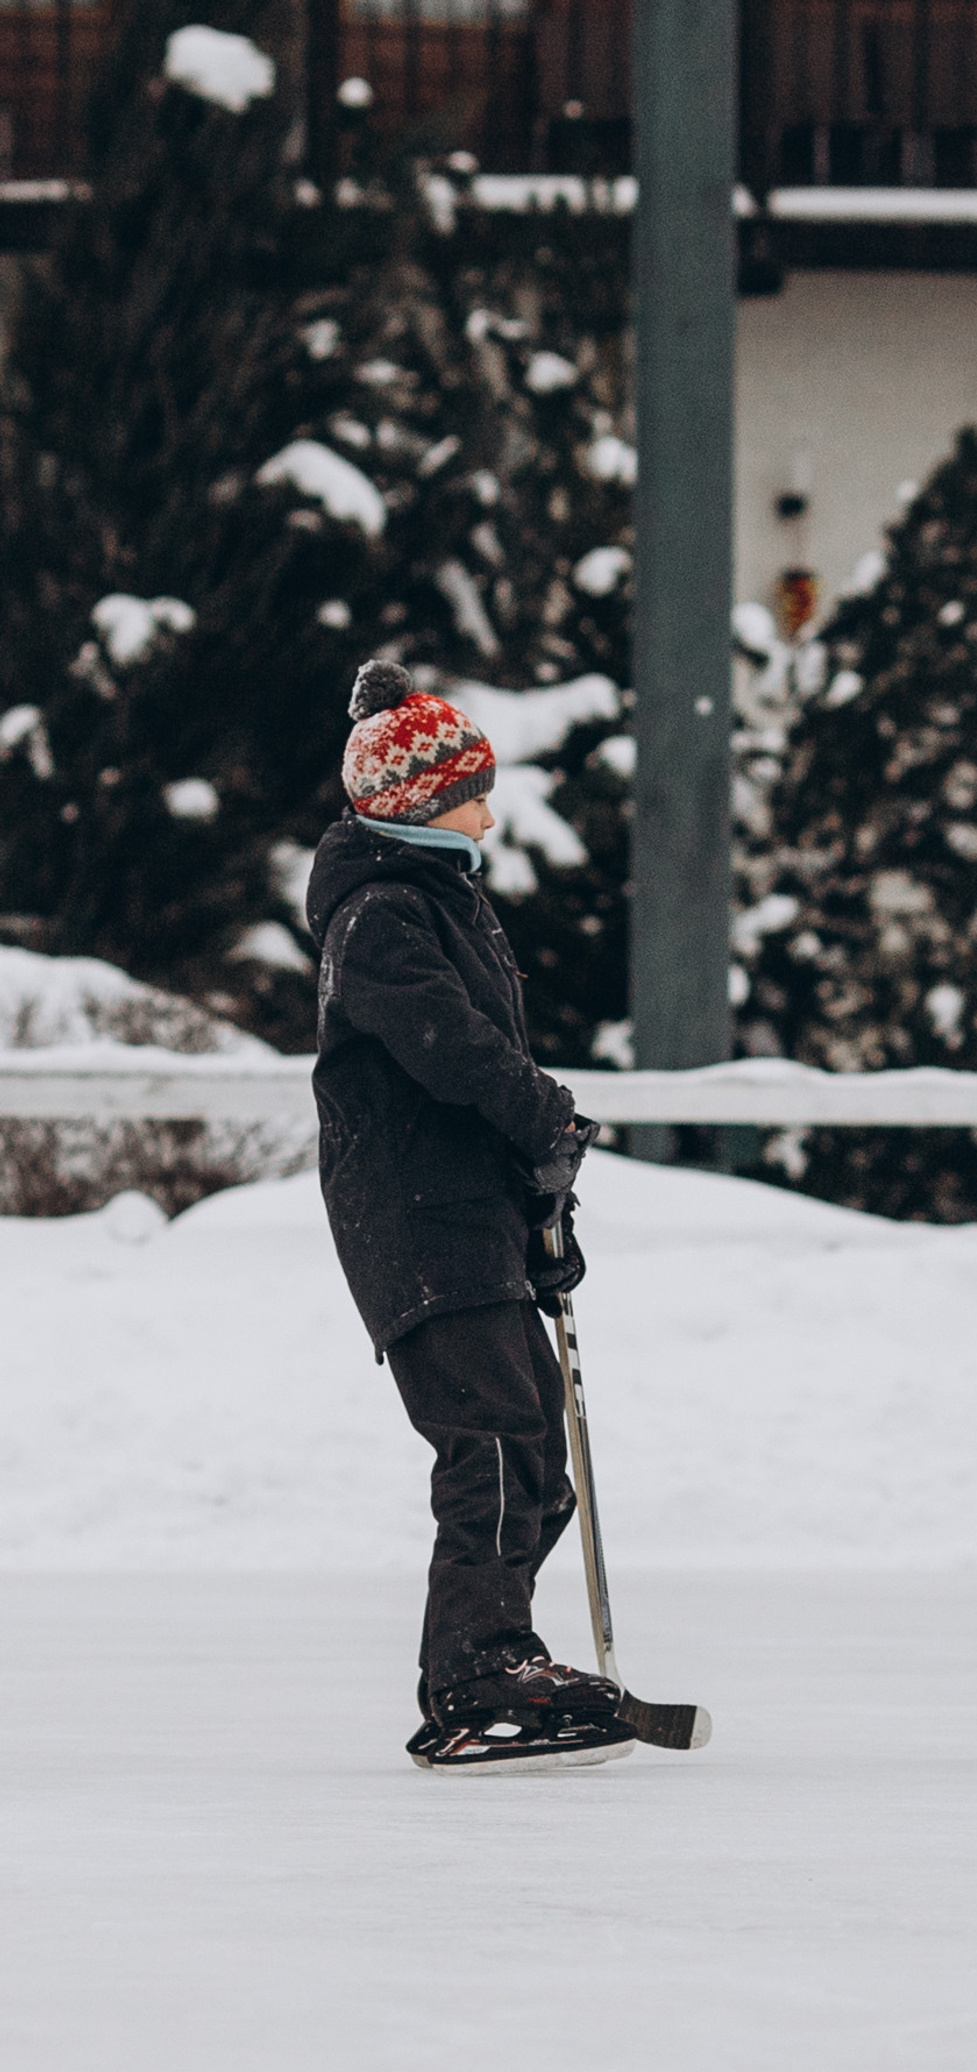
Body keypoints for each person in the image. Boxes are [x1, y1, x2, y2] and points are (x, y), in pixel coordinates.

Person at [307, 661, 631, 1773]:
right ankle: (478, 1669)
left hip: (467, 1218)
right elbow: (450, 1048)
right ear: (416, 802)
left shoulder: (442, 900)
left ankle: (493, 1652)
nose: (488, 811)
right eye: (469, 791)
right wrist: (539, 1112)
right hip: (414, 1221)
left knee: (536, 1453)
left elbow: (485, 1081)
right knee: (492, 1440)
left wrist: (541, 1200)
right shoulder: (383, 915)